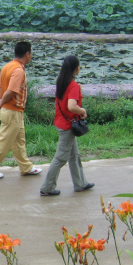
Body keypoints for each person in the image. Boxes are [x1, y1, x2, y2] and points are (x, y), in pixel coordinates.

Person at [0, 41, 42, 179]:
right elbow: (11, 91)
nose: (31, 56)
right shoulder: (18, 70)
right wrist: (1, 102)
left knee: (19, 141)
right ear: (27, 54)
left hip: (14, 112)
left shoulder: (7, 67)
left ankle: (26, 167)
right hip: (12, 111)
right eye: (31, 53)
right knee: (4, 142)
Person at [40, 55, 94, 196]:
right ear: (77, 68)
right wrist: (83, 110)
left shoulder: (62, 82)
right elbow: (71, 106)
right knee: (60, 158)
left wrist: (77, 89)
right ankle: (47, 188)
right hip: (68, 127)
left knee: (74, 155)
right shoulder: (73, 86)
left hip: (61, 122)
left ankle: (80, 183)